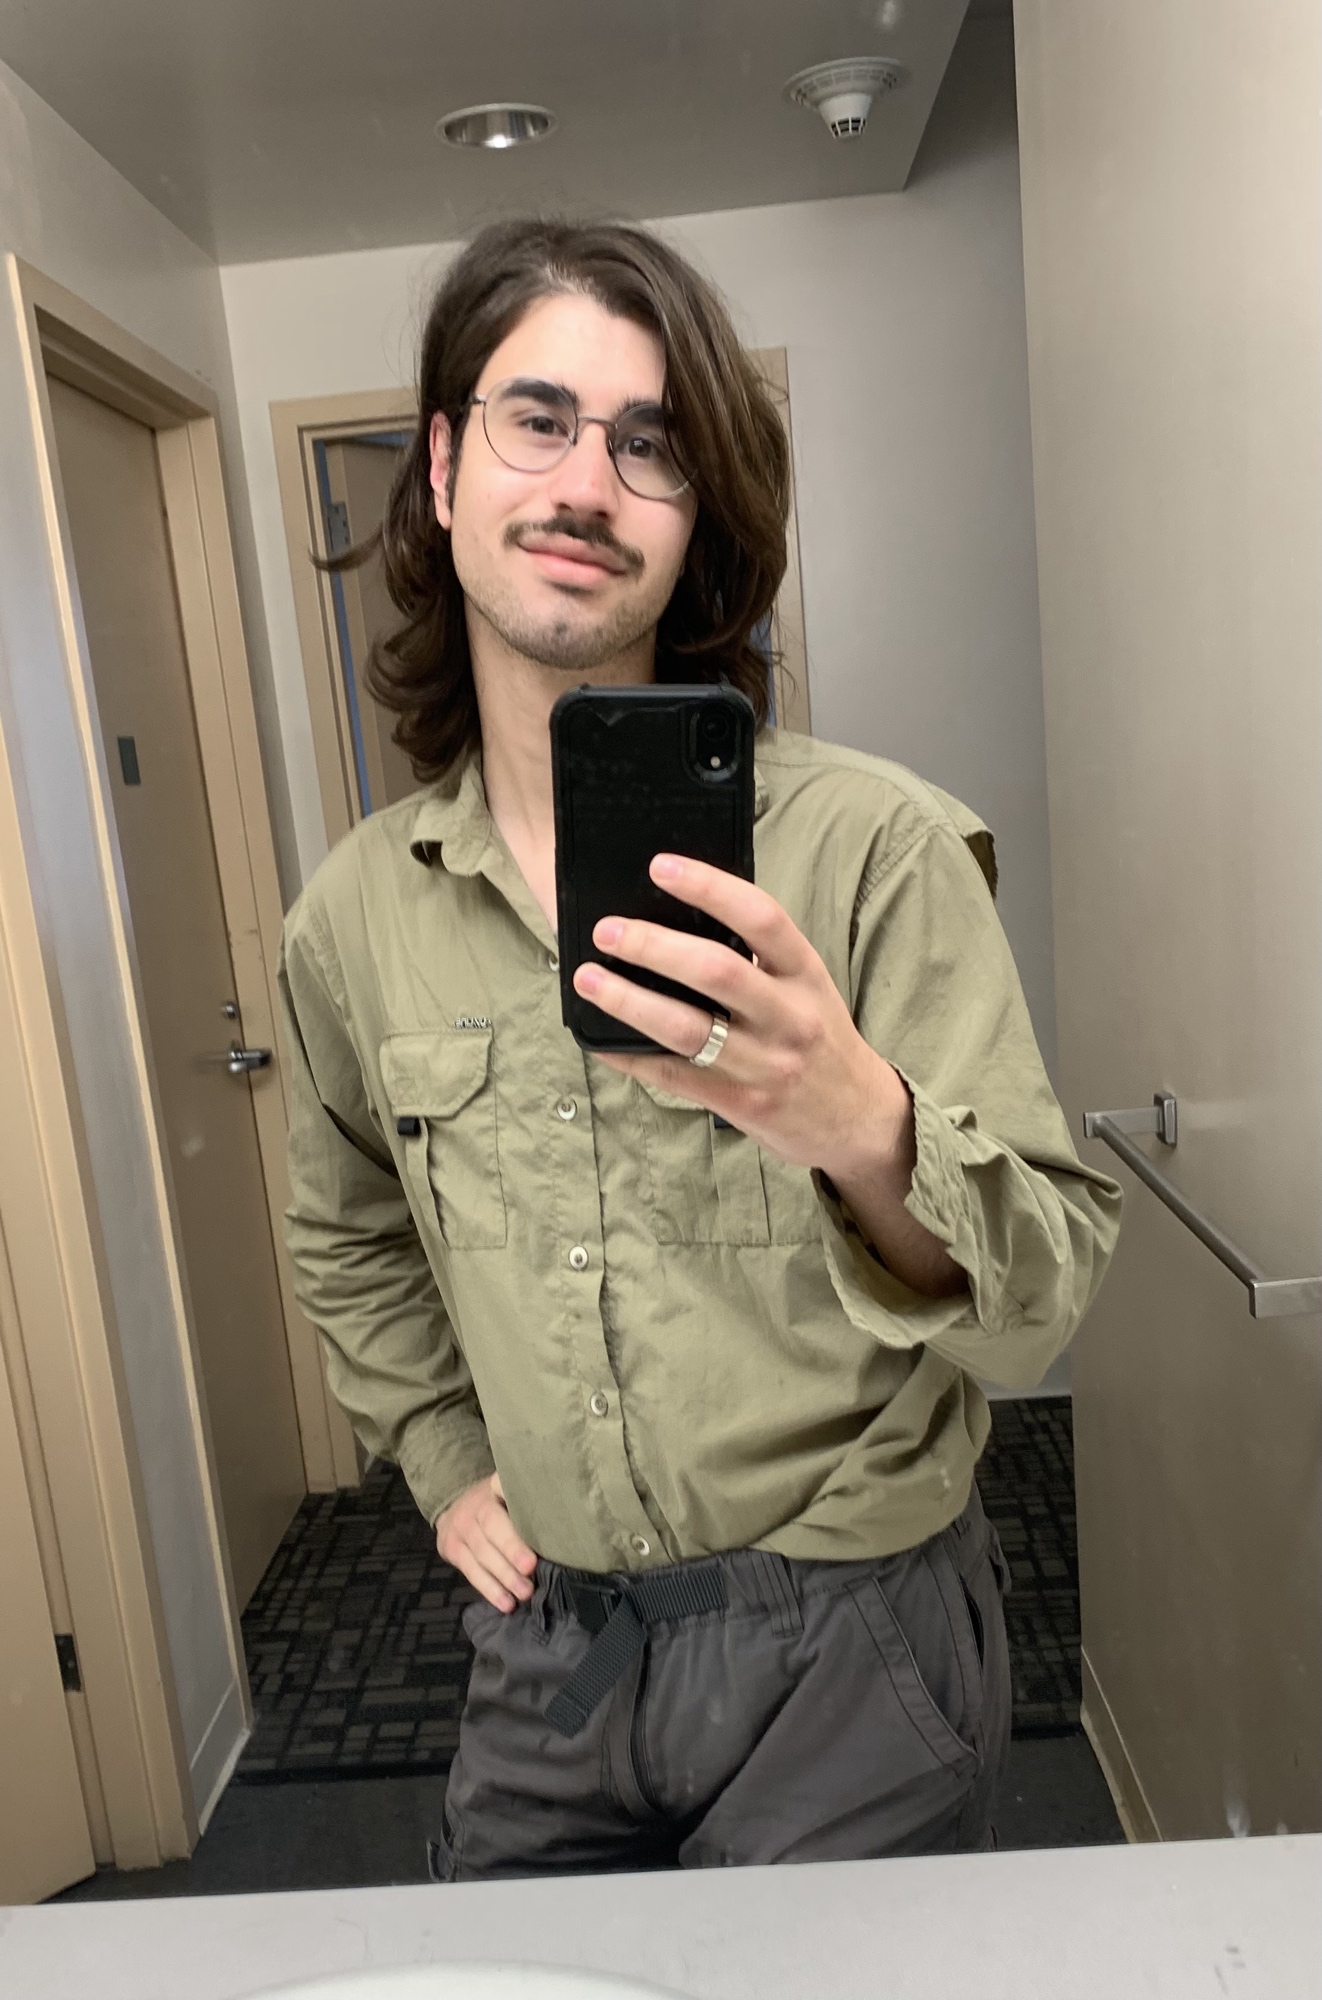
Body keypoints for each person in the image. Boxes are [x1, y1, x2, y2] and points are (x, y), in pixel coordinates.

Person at [278, 216, 1122, 1879]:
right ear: (441, 467)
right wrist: (444, 1462)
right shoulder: (353, 918)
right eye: (538, 419)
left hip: (853, 1638)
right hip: (553, 1648)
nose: (587, 484)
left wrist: (857, 1122)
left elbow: (1043, 1298)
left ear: (696, 514)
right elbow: (347, 1231)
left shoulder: (876, 851)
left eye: (649, 444)